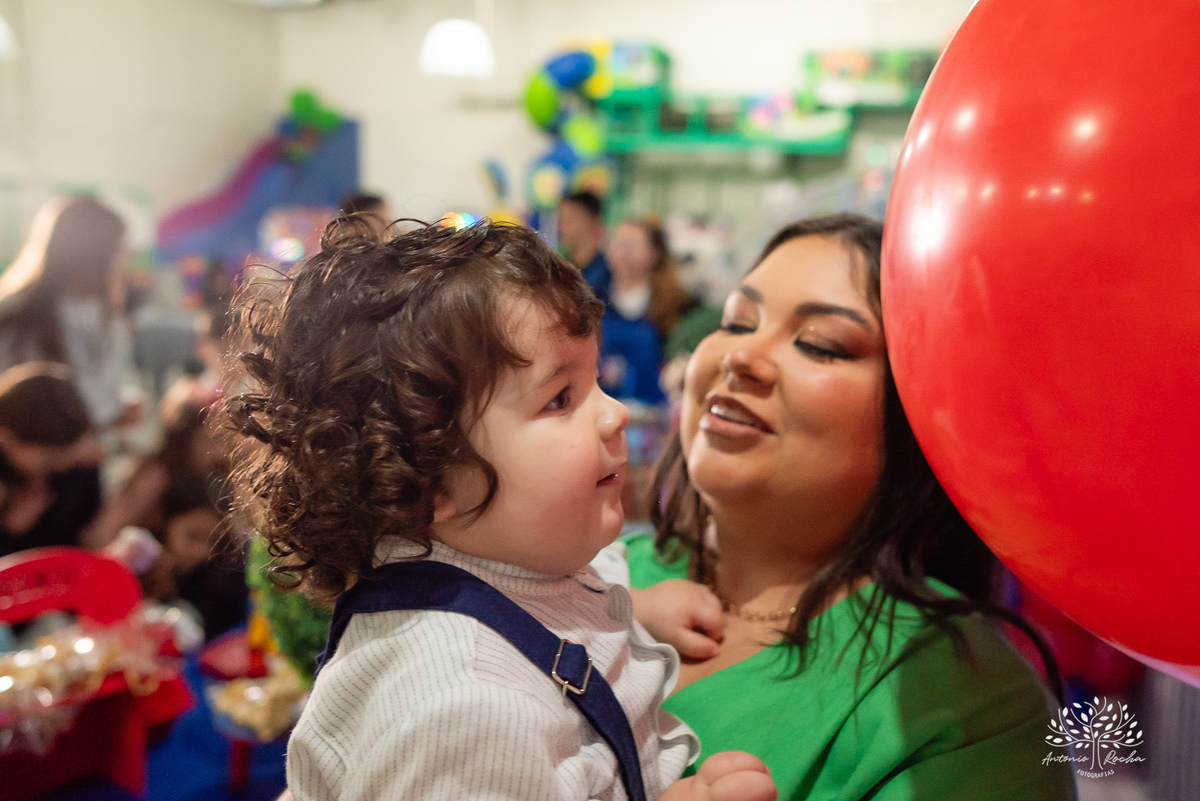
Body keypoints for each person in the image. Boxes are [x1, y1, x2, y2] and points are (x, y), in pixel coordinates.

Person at [222, 218, 775, 801]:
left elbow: (531, 606)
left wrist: (636, 611)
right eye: (560, 398)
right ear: (430, 475)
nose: (613, 414)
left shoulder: (494, 549)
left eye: (596, 382)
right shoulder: (466, 713)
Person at [615, 215, 1077, 800]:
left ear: (918, 417)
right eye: (737, 321)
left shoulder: (966, 702)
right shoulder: (577, 577)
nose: (742, 357)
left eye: (819, 344)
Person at [0, 195, 139, 429]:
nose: (122, 264)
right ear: (92, 256)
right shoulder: (15, 318)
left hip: (86, 457)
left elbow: (98, 397)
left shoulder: (105, 316)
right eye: (117, 252)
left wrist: (118, 410)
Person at [0, 362, 104, 557]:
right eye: (49, 457)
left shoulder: (78, 468)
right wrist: (10, 529)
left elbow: (87, 539)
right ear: (5, 438)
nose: (63, 462)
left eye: (70, 451)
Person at [558, 190, 611, 299]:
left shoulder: (610, 273)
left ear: (591, 220)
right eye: (561, 221)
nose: (561, 228)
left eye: (569, 219)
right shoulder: (562, 269)